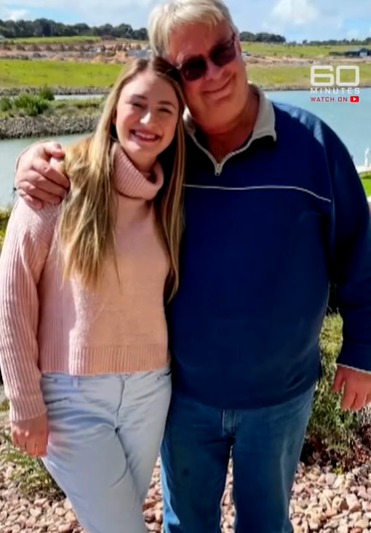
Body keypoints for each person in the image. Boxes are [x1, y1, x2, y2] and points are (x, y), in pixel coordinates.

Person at [12, 0, 371, 532]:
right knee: (187, 524)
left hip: (281, 394)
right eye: (192, 66)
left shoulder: (315, 145)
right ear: (175, 79)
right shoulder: (164, 154)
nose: (215, 72)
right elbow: (99, 161)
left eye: (221, 50)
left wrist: (361, 351)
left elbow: (358, 250)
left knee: (267, 523)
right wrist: (35, 162)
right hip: (182, 394)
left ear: (239, 43)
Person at [0, 55, 186, 533]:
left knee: (113, 522)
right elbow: (12, 295)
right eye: (138, 104)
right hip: (71, 397)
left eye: (167, 109)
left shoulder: (170, 196)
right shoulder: (60, 181)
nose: (150, 121)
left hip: (150, 391)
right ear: (114, 106)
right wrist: (24, 402)